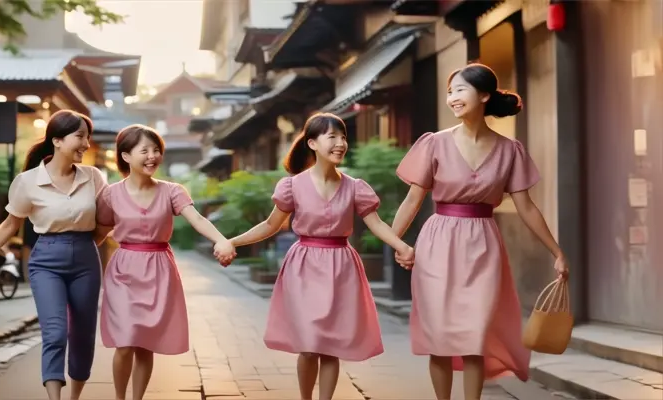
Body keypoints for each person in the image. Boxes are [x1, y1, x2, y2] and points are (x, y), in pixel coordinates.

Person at [391, 63, 570, 400]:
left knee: (476, 335)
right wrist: (395, 242)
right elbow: (413, 200)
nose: (452, 98)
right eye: (450, 92)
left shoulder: (509, 150)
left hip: (483, 247)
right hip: (437, 244)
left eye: (460, 90)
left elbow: (527, 207)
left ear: (484, 95)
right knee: (440, 336)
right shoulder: (434, 144)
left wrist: (557, 251)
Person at [222, 113, 415, 400]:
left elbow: (376, 225)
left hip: (341, 267)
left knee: (330, 344)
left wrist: (402, 246)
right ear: (312, 143)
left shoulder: (355, 187)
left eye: (343, 137)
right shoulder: (292, 186)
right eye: (332, 137)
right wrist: (232, 241)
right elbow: (270, 225)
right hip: (304, 267)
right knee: (310, 343)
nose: (340, 143)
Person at [0, 110, 107, 400]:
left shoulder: (93, 176)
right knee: (55, 332)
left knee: (83, 334)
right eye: (80, 136)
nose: (86, 143)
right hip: (46, 262)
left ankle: (75, 398)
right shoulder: (27, 181)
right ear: (57, 140)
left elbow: (109, 218)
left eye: (88, 137)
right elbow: (10, 224)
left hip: (86, 258)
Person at [94, 124, 235, 400]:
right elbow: (98, 233)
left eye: (156, 150)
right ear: (125, 156)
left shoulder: (172, 191)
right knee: (125, 341)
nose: (152, 156)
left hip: (158, 269)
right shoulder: (111, 194)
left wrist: (221, 240)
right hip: (123, 271)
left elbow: (198, 219)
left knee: (145, 343)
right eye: (144, 150)